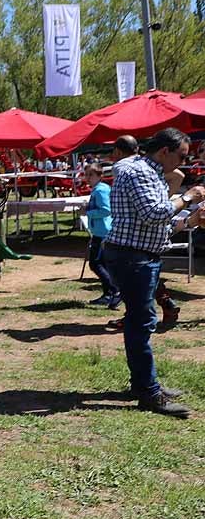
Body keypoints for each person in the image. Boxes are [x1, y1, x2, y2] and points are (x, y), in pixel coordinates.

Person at [102, 128, 205, 417]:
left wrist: (189, 221)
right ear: (164, 151)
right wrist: (188, 197)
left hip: (137, 256)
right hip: (133, 259)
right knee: (141, 323)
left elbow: (153, 225)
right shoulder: (140, 172)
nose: (182, 163)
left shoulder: (149, 171)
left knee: (140, 322)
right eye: (181, 156)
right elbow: (154, 214)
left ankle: (143, 385)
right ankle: (148, 392)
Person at [83, 163, 119, 308]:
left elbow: (106, 210)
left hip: (103, 232)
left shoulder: (100, 190)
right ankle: (108, 295)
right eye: (86, 174)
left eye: (91, 174)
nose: (88, 178)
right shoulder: (98, 189)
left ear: (99, 175)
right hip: (100, 231)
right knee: (103, 264)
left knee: (95, 263)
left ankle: (115, 291)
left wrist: (88, 212)